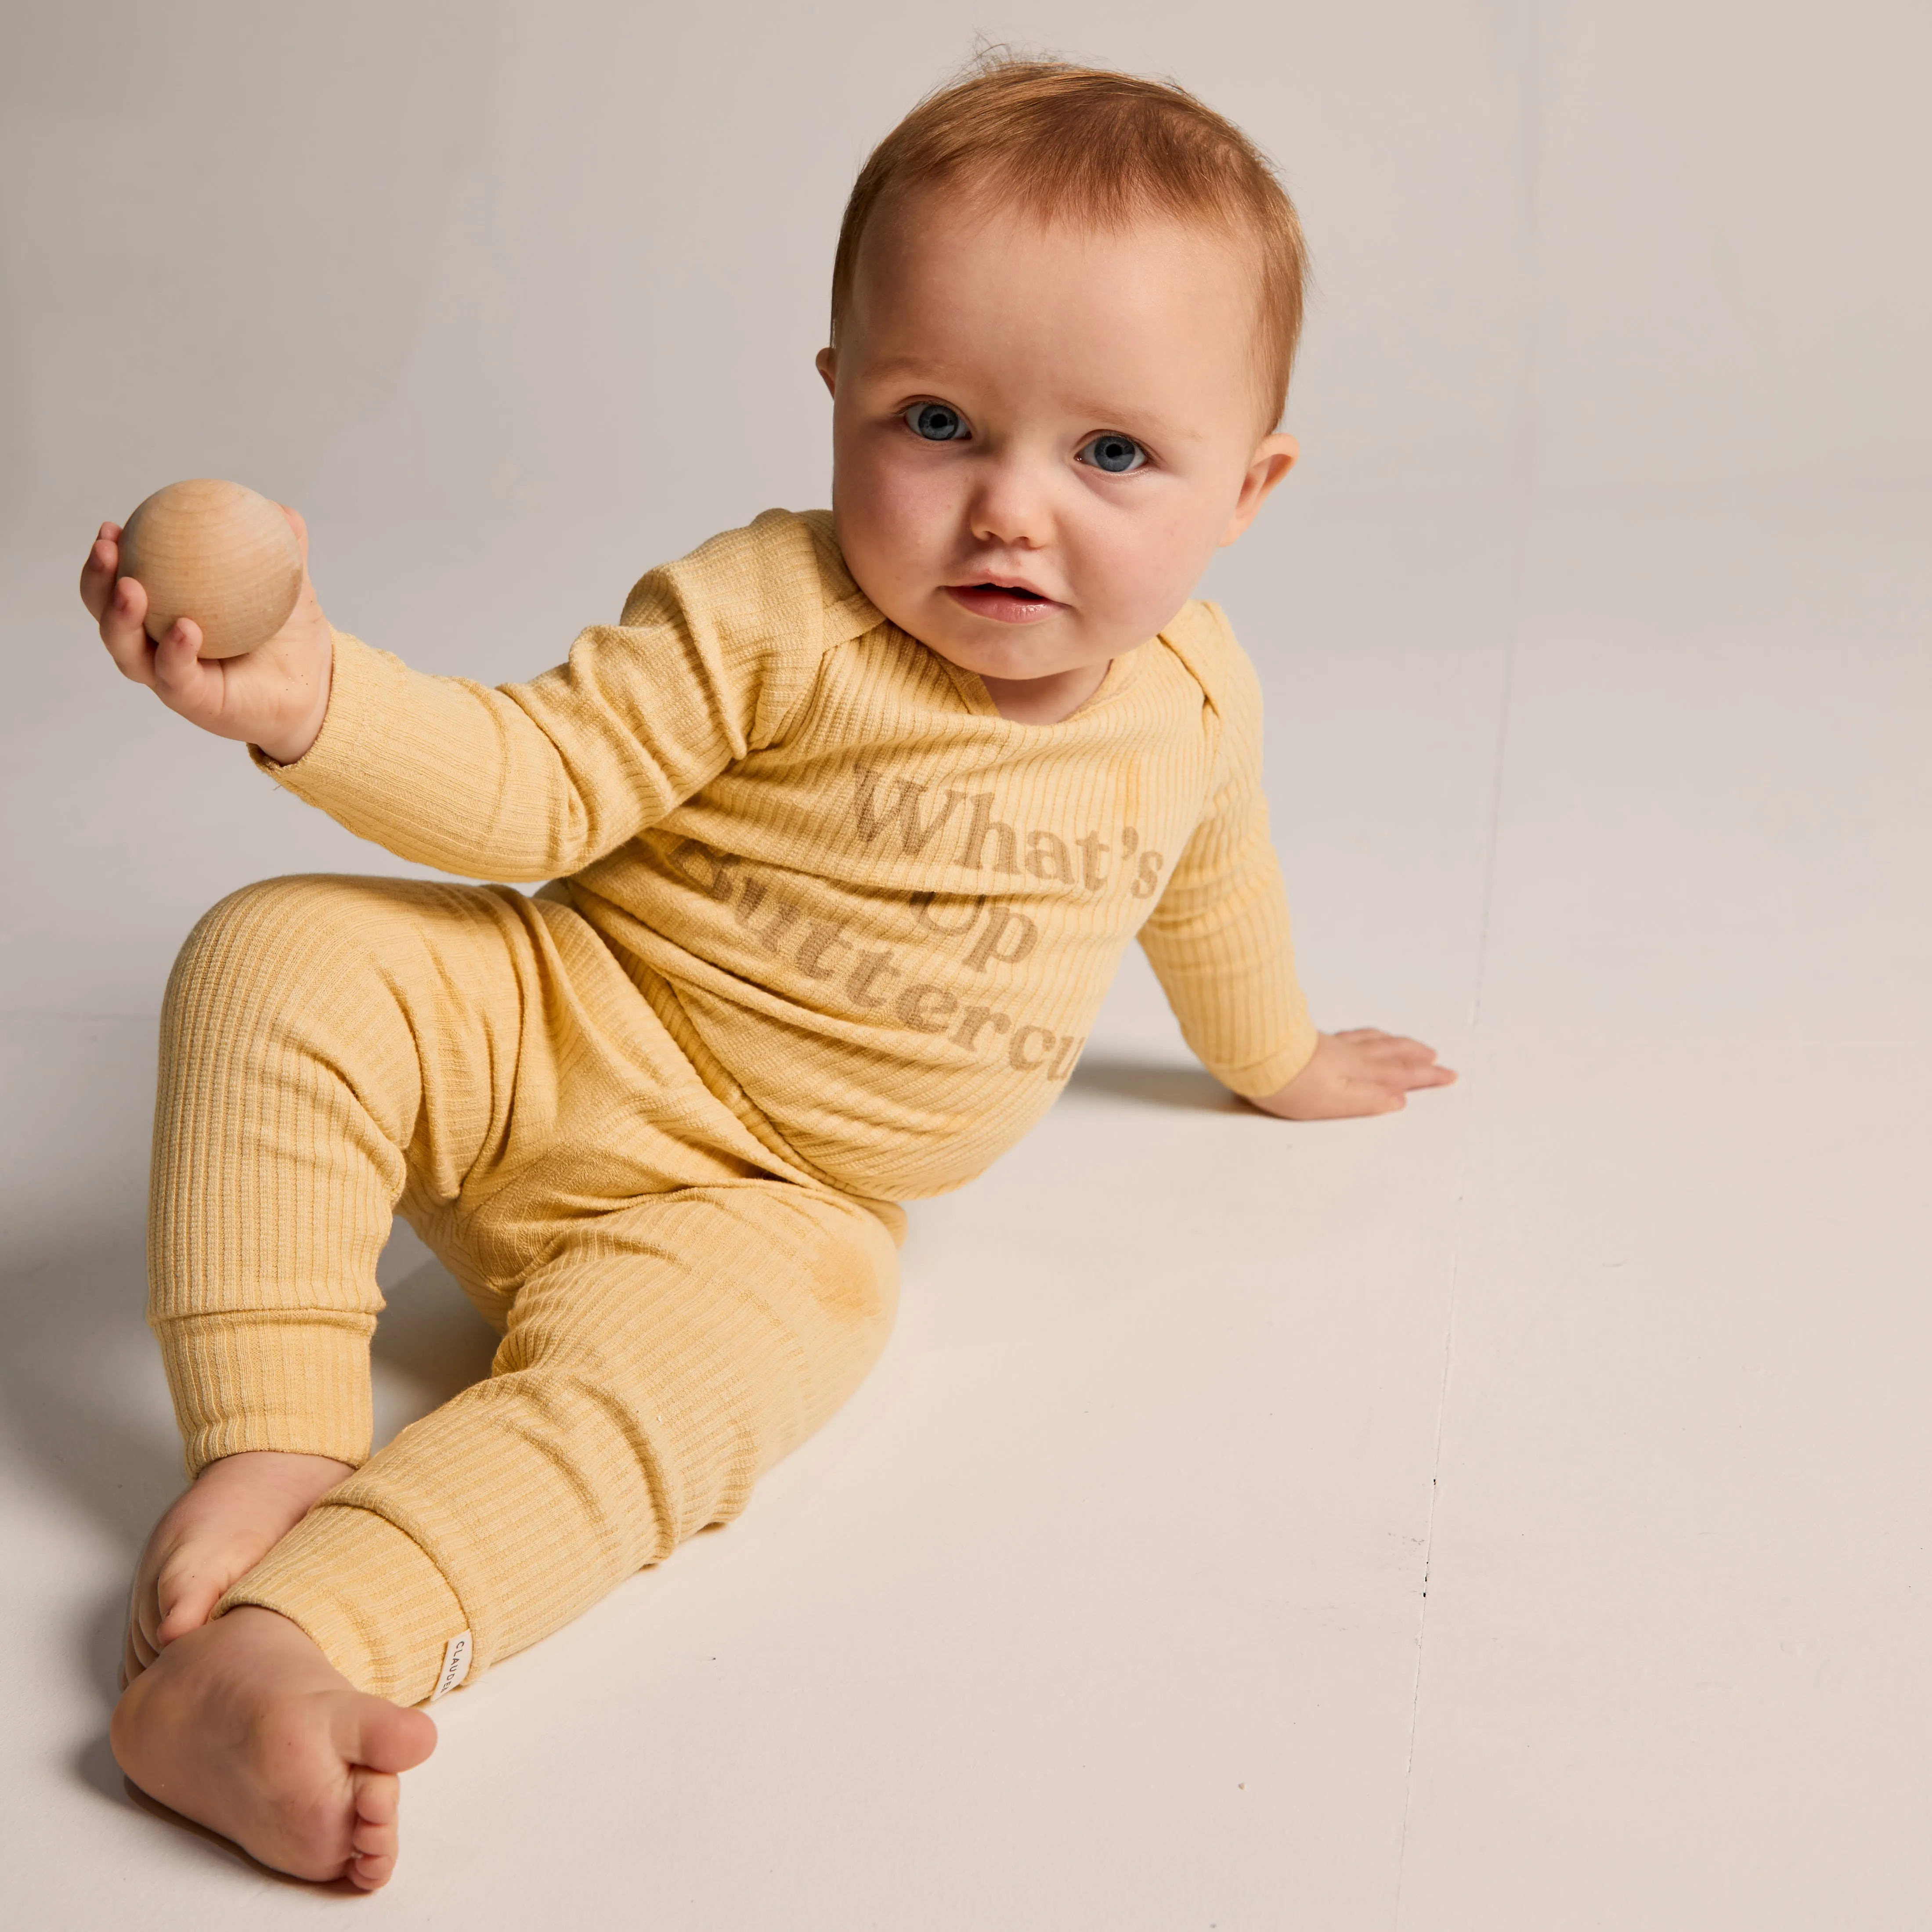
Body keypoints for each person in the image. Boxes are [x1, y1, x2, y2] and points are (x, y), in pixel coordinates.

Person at [79, 55, 1455, 1890]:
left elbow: (1213, 897)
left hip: (767, 1203)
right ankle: (271, 1445)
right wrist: (314, 697)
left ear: (1249, 485)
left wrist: (1272, 1058)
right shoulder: (772, 610)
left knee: (670, 1416)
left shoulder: (1197, 705)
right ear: (836, 401)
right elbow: (536, 779)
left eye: (1112, 451)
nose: (1008, 512)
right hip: (559, 1021)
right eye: (936, 422)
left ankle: (295, 1648)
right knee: (283, 954)